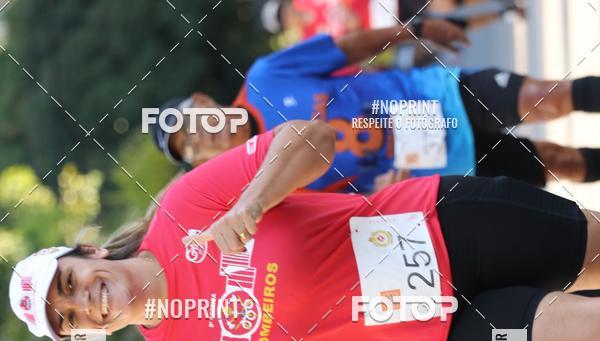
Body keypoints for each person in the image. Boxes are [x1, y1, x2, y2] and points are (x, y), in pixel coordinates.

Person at [10, 119, 600, 341]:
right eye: (70, 320)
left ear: (85, 253)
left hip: (432, 229)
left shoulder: (182, 206)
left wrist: (250, 205)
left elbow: (315, 139)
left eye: (69, 283)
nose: (83, 303)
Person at [151, 27, 600, 192]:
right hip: (441, 166)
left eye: (190, 124)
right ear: (201, 163)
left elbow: (348, 45)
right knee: (558, 163)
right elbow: (347, 209)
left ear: (204, 102)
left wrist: (416, 30)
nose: (199, 137)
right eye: (189, 147)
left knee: (547, 97)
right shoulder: (268, 184)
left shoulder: (266, 75)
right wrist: (386, 195)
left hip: (431, 97)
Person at [260, 0, 526, 40]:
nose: (290, 17)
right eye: (285, 21)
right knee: (450, 29)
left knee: (447, 2)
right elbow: (346, 43)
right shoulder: (311, 37)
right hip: (386, 29)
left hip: (386, 2)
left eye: (285, 12)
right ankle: (503, 14)